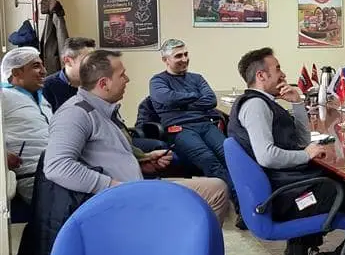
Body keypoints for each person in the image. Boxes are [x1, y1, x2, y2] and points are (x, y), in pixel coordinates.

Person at [228, 47, 345, 255]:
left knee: (344, 185)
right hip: (289, 197)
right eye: (277, 69)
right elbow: (267, 156)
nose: (283, 74)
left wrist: (297, 103)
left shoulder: (260, 102)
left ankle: (299, 250)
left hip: (284, 189)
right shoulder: (256, 106)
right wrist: (306, 155)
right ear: (261, 75)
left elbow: (301, 140)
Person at [44, 49, 229, 222]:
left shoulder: (103, 110)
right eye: (122, 75)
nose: (127, 79)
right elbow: (57, 166)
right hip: (123, 198)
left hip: (137, 185)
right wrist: (112, 186)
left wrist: (142, 160)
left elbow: (104, 155)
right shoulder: (75, 113)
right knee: (216, 192)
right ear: (104, 84)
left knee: (216, 186)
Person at [149, 39, 233, 197]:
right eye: (178, 56)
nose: (184, 59)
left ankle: (245, 194)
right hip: (179, 129)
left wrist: (181, 104)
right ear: (165, 60)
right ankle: (237, 199)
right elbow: (167, 98)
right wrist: (195, 96)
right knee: (208, 159)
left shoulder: (197, 78)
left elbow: (211, 100)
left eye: (186, 54)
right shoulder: (158, 81)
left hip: (205, 125)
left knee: (230, 155)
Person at [1, 48, 52, 204]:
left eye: (42, 65)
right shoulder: (4, 96)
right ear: (16, 72)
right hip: (31, 175)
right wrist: (3, 155)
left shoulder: (42, 100)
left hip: (56, 168)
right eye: (36, 66)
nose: (44, 71)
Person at [42, 36, 96, 111]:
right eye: (87, 61)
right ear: (67, 61)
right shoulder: (45, 88)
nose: (94, 66)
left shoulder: (98, 83)